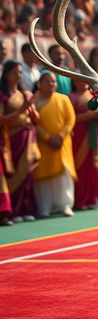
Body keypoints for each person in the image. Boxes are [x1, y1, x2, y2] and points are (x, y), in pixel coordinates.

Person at [0, 61, 40, 223]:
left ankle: (26, 209)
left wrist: (30, 110)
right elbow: (1, 120)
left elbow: (36, 118)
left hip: (28, 137)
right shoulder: (3, 96)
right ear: (7, 75)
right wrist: (22, 109)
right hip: (11, 140)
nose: (18, 75)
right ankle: (14, 211)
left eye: (20, 72)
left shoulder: (25, 94)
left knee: (28, 175)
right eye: (15, 72)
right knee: (15, 175)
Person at [33, 71, 77, 217]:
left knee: (63, 175)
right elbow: (34, 123)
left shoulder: (63, 99)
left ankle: (65, 205)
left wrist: (60, 136)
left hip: (62, 144)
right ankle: (45, 207)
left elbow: (70, 119)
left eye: (53, 81)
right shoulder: (35, 102)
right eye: (47, 81)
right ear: (39, 84)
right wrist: (47, 138)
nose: (51, 84)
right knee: (44, 176)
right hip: (44, 145)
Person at [68, 79, 98, 210]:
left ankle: (92, 198)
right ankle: (80, 200)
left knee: (93, 168)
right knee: (81, 167)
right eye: (80, 79)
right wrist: (89, 116)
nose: (83, 82)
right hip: (79, 136)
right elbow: (70, 118)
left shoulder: (93, 96)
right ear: (74, 82)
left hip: (95, 136)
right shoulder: (71, 97)